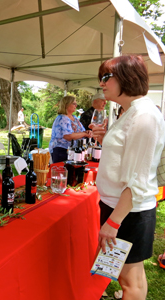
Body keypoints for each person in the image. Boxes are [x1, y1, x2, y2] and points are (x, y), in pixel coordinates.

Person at [91, 55, 165, 300]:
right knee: (133, 276)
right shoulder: (130, 112)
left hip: (128, 212)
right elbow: (127, 157)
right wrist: (105, 142)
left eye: (105, 77)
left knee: (128, 281)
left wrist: (113, 223)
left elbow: (138, 180)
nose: (101, 83)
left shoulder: (143, 116)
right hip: (123, 209)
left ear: (127, 77)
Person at [48, 95, 91, 163]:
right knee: (62, 172)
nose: (76, 105)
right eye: (74, 103)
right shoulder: (62, 118)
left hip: (72, 151)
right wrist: (84, 134)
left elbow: (82, 131)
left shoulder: (74, 118)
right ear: (66, 105)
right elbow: (68, 136)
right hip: (61, 151)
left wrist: (87, 132)